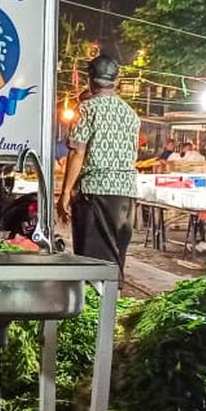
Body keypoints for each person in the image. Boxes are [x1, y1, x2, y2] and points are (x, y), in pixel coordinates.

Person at [56, 55, 140, 274]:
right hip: (126, 194)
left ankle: (97, 306)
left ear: (90, 78)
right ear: (117, 80)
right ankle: (113, 304)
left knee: (92, 264)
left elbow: (77, 152)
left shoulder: (87, 109)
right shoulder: (130, 114)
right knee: (115, 259)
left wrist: (65, 193)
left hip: (96, 192)